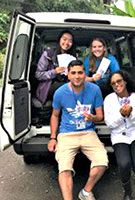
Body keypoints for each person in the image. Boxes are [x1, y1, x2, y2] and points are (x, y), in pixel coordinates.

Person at [48, 60, 108, 200]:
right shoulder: (60, 92)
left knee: (102, 162)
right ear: (68, 75)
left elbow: (100, 116)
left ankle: (86, 192)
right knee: (64, 168)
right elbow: (55, 115)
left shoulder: (94, 89)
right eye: (73, 73)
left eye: (80, 72)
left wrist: (93, 118)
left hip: (88, 132)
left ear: (85, 74)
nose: (77, 76)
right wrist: (52, 138)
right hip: (67, 134)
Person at [104, 71, 135, 200]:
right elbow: (110, 124)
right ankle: (127, 192)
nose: (116, 85)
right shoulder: (109, 100)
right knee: (124, 164)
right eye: (113, 83)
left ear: (125, 81)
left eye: (119, 81)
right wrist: (121, 114)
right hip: (119, 135)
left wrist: (130, 115)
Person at [35, 30, 76, 105]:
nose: (67, 43)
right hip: (48, 88)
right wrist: (54, 72)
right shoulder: (48, 54)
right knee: (66, 88)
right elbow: (38, 75)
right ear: (59, 40)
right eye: (64, 39)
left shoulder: (72, 57)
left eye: (70, 41)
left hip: (66, 84)